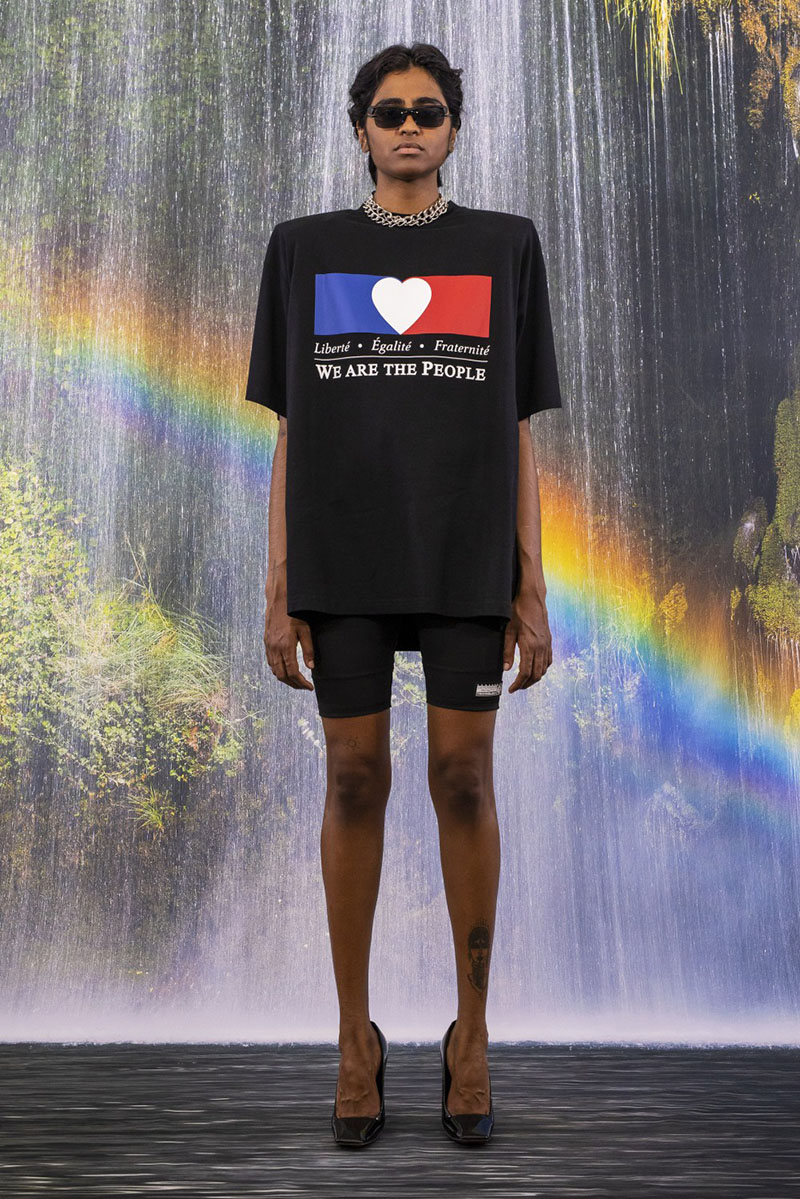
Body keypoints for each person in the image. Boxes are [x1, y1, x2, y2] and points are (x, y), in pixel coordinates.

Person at [245, 42, 564, 1147]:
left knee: (462, 778)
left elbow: (518, 431)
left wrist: (531, 581)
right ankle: (353, 1038)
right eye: (390, 113)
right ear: (361, 131)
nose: (410, 127)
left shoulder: (505, 246)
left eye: (429, 111)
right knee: (353, 778)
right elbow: (290, 429)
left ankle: (471, 1036)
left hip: (465, 559)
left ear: (454, 128)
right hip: (341, 557)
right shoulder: (302, 249)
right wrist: (279, 578)